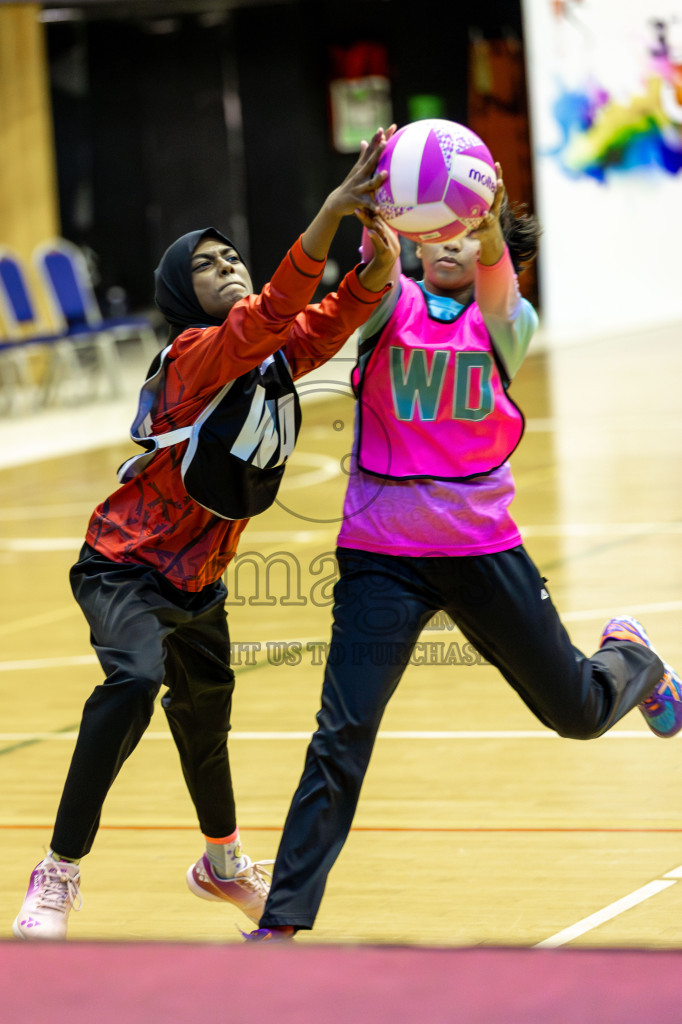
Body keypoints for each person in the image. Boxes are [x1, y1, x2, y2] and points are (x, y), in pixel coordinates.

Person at [245, 164, 682, 941]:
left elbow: (495, 276)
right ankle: (281, 925)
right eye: (432, 234)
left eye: (464, 234)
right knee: (341, 734)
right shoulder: (388, 305)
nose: (446, 244)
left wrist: (484, 213)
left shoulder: (508, 323)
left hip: (482, 549)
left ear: (487, 247)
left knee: (578, 715)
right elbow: (371, 279)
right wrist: (374, 230)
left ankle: (631, 658)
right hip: (381, 556)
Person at [12, 127, 401, 941]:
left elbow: (332, 317)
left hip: (198, 582)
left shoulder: (266, 355)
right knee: (132, 683)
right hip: (123, 567)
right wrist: (331, 207)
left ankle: (221, 864)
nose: (228, 266)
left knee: (205, 726)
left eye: (233, 257)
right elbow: (279, 310)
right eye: (207, 262)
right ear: (182, 296)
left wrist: (375, 252)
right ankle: (57, 873)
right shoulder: (194, 354)